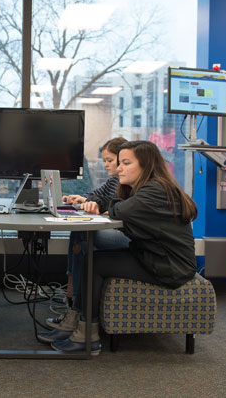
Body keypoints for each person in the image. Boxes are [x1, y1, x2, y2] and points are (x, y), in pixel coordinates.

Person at [45, 140, 198, 355]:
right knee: (92, 257)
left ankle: (87, 337)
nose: (118, 169)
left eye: (125, 163)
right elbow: (114, 204)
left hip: (169, 267)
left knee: (95, 263)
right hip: (153, 256)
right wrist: (101, 203)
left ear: (146, 166)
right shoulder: (151, 187)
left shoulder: (155, 190)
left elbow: (119, 209)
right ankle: (75, 325)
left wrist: (103, 205)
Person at [42, 137, 128, 336]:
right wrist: (85, 199)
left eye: (110, 160)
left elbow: (117, 205)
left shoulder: (126, 181)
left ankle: (74, 303)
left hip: (126, 235)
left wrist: (102, 205)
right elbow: (98, 196)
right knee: (79, 231)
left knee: (82, 233)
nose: (106, 164)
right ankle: (73, 298)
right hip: (119, 229)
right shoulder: (114, 180)